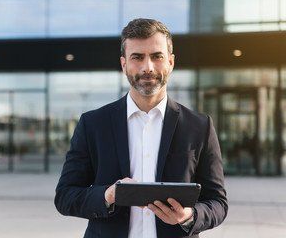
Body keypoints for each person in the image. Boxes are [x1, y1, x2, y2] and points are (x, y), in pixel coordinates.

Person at [54, 18, 228, 238]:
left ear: (171, 62)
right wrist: (107, 196)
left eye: (157, 56)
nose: (148, 67)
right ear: (124, 63)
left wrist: (189, 216)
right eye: (137, 57)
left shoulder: (199, 126)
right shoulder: (93, 124)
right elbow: (65, 196)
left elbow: (218, 203)